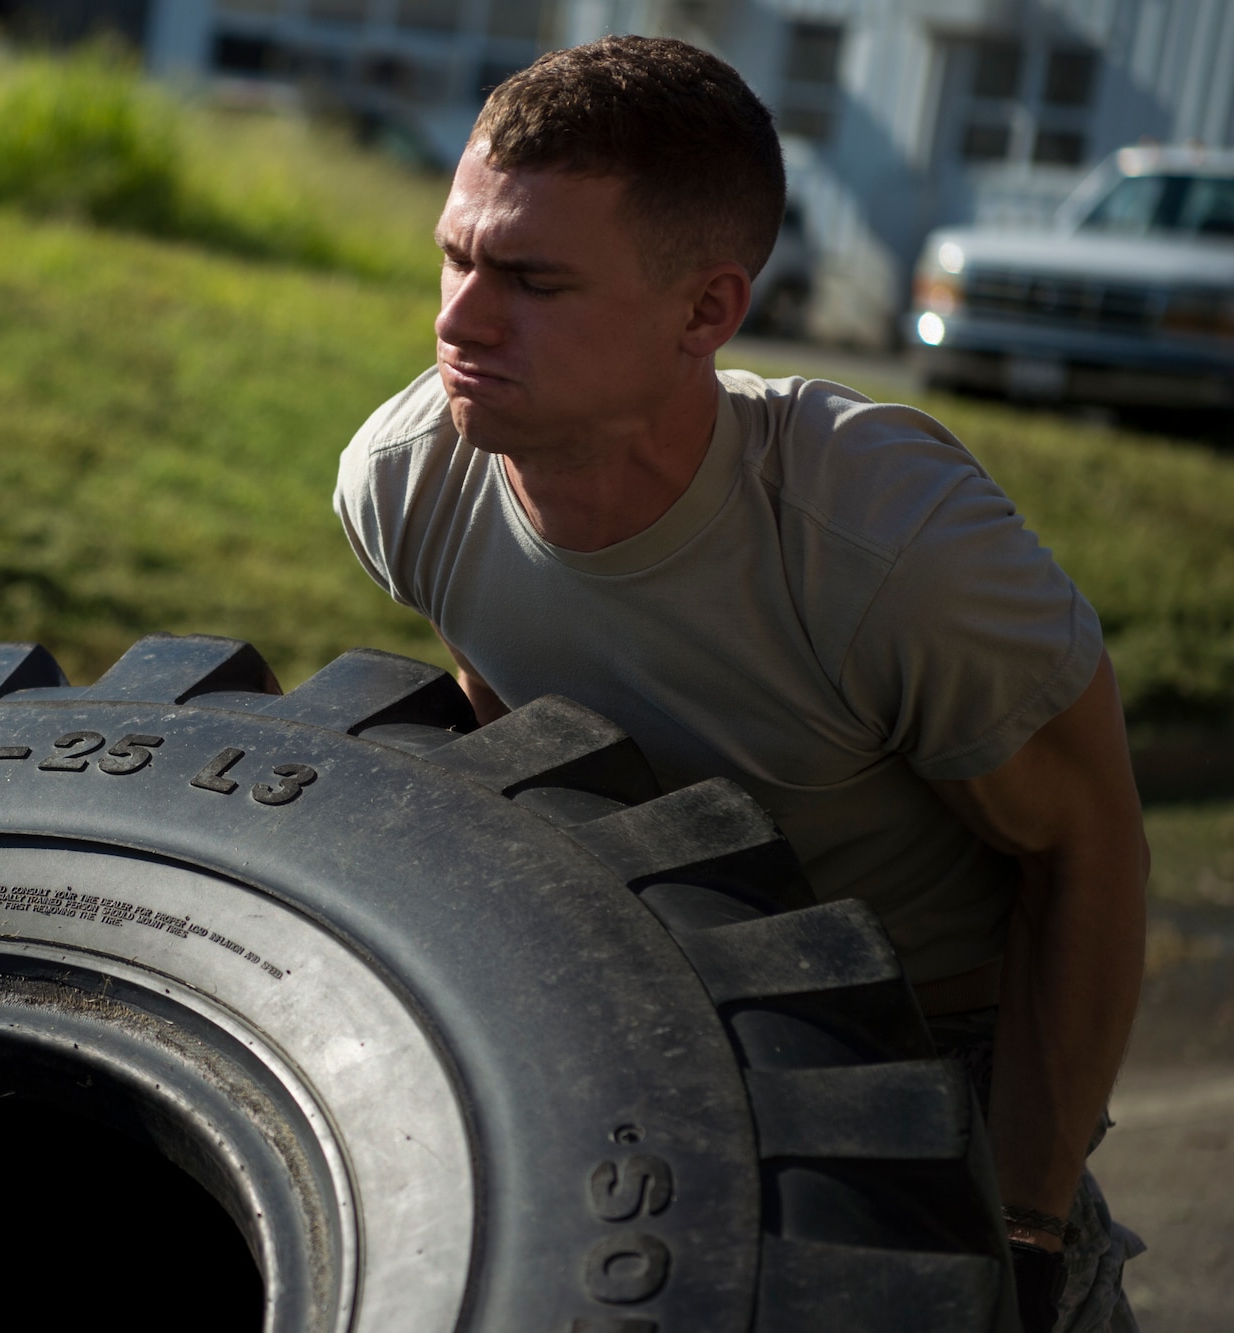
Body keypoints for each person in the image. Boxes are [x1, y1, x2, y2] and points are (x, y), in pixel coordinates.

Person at [332, 36, 1147, 1333]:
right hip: (662, 1004)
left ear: (707, 312)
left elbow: (1088, 852)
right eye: (457, 254)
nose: (459, 319)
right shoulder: (406, 482)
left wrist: (1027, 1223)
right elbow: (530, 753)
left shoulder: (889, 543)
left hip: (928, 1043)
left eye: (533, 279)